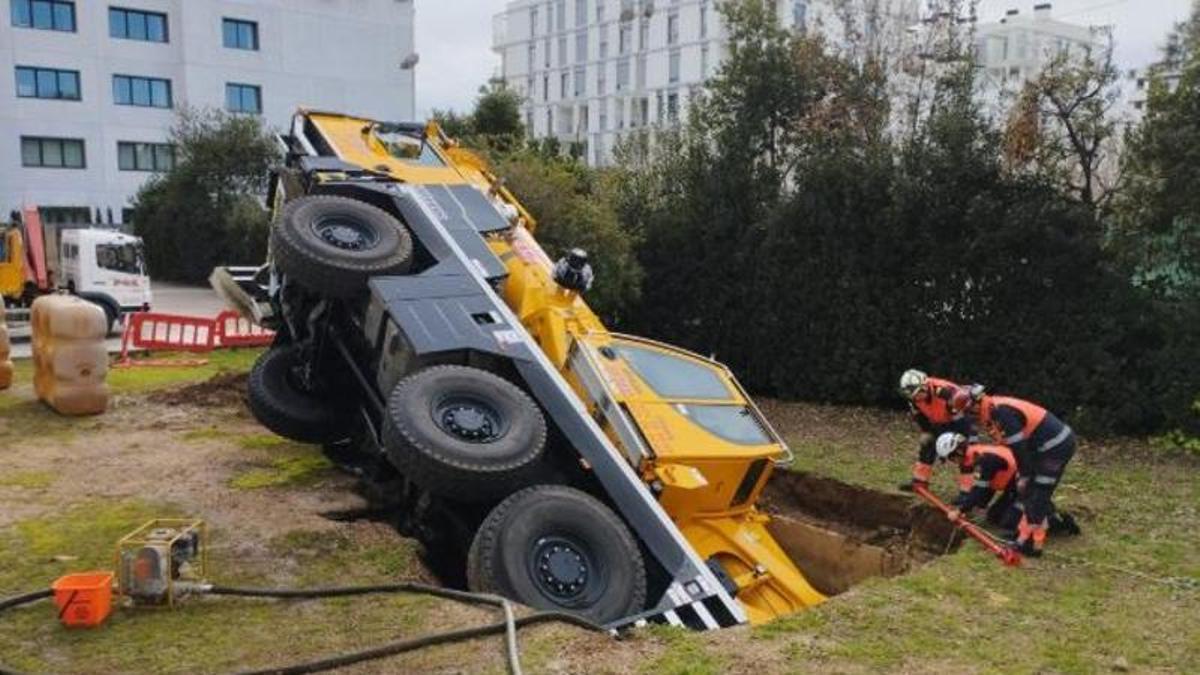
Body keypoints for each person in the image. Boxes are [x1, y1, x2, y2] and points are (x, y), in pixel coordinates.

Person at [968, 394, 1081, 556]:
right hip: (1040, 447)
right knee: (1031, 492)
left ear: (976, 405)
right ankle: (1029, 537)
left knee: (1039, 491)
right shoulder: (994, 410)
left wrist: (1025, 475)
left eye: (970, 411)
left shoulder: (1002, 413)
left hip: (1055, 447)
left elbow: (1018, 446)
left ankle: (1031, 544)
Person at [896, 369, 978, 492]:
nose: (916, 398)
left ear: (924, 387)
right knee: (927, 444)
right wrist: (926, 431)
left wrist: (964, 438)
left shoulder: (945, 392)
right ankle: (919, 481)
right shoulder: (913, 398)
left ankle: (967, 491)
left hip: (961, 421)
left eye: (917, 394)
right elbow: (920, 416)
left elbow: (964, 413)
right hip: (940, 421)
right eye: (912, 395)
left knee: (965, 454)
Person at [933, 432, 1021, 531]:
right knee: (993, 517)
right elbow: (987, 486)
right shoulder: (974, 454)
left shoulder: (982, 459)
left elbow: (980, 489)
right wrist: (974, 507)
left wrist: (960, 510)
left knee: (1007, 523)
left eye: (951, 458)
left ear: (958, 452)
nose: (953, 462)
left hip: (1026, 484)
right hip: (1014, 484)